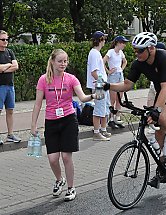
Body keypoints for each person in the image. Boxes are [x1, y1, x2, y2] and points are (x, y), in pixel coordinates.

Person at [103, 32, 166, 188]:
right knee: (158, 131)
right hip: (164, 94)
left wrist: (156, 110)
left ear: (151, 48)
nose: (137, 53)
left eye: (140, 50)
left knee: (163, 118)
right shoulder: (139, 63)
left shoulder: (164, 57)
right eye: (135, 50)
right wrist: (108, 86)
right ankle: (163, 168)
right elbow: (127, 84)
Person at [31, 49, 96, 201]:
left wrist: (93, 96)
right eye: (60, 61)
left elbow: (82, 97)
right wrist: (33, 125)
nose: (63, 64)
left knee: (66, 157)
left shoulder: (71, 79)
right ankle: (60, 179)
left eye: (65, 61)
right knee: (53, 159)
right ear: (52, 61)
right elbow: (37, 104)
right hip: (51, 121)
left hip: (68, 120)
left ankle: (71, 188)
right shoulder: (43, 80)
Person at [86, 31, 111, 141]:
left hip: (102, 84)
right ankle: (96, 132)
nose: (105, 41)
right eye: (104, 39)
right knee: (99, 108)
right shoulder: (94, 53)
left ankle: (103, 129)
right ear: (100, 40)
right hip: (99, 85)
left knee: (105, 107)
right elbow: (94, 72)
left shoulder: (96, 53)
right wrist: (102, 82)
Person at [0, 30, 21, 145]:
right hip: (0, 87)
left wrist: (4, 68)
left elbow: (16, 66)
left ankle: (10, 134)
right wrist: (8, 66)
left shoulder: (10, 52)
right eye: (3, 39)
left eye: (7, 39)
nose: (5, 41)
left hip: (10, 86)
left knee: (10, 110)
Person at [103, 35, 129, 129]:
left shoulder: (121, 52)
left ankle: (117, 118)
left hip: (119, 75)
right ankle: (111, 119)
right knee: (112, 99)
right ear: (118, 43)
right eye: (123, 43)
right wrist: (108, 71)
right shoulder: (111, 52)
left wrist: (121, 69)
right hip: (113, 76)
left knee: (120, 98)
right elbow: (102, 61)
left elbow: (125, 61)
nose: (124, 45)